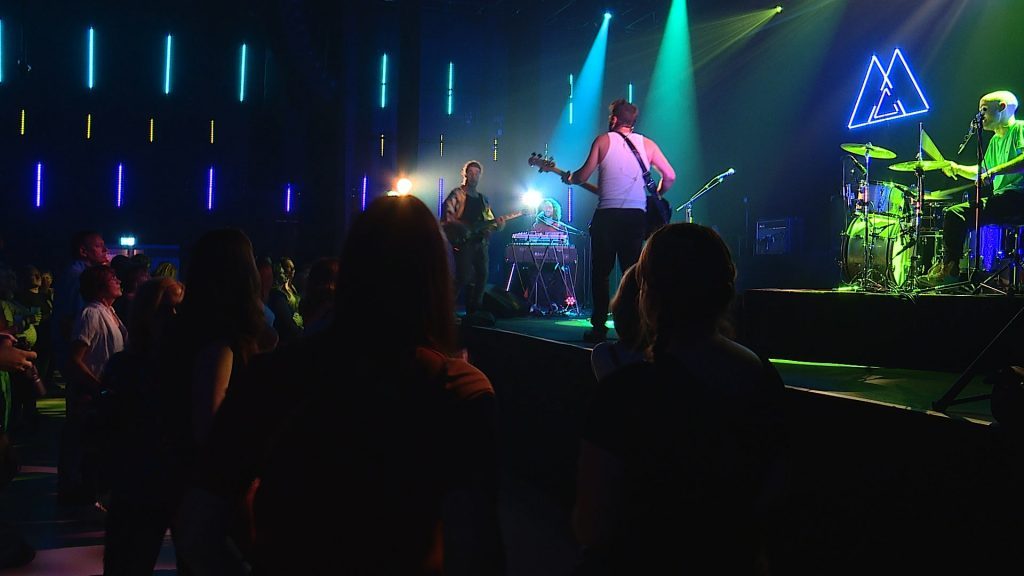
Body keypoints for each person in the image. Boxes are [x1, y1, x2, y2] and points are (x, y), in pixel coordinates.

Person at [195, 195, 500, 574]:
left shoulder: (271, 376)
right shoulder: (458, 389)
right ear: (437, 277)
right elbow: (476, 547)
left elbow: (200, 521)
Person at [574, 223, 785, 574]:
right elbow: (776, 491)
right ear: (724, 290)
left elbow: (592, 527)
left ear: (647, 294)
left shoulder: (624, 393)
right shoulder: (759, 375)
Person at [563, 99, 676, 342]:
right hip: (636, 217)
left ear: (614, 119)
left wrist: (571, 179)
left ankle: (599, 327)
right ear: (632, 121)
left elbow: (583, 175)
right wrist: (656, 195)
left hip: (607, 215)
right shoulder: (647, 144)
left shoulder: (603, 140)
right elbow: (670, 175)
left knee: (601, 272)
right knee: (632, 272)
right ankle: (635, 327)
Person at [924, 90, 1024, 285]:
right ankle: (951, 268)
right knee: (955, 214)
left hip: (1018, 198)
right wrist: (957, 167)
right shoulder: (995, 140)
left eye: (984, 110)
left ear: (1002, 107)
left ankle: (950, 271)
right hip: (1004, 200)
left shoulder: (1020, 129)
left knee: (956, 214)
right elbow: (982, 170)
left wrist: (993, 171)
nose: (980, 116)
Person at [441, 160, 507, 315]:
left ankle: (475, 309)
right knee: (463, 276)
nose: (474, 176)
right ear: (465, 174)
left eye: (477, 173)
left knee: (482, 276)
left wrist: (499, 225)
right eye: (471, 172)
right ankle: (445, 309)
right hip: (464, 242)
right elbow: (447, 216)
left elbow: (489, 220)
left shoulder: (483, 199)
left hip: (481, 242)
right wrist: (462, 226)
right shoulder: (457, 193)